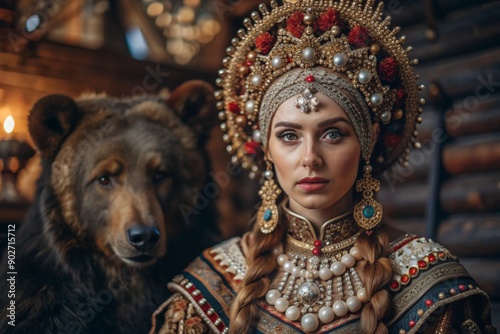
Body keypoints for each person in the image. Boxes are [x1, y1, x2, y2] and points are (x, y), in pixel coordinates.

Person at [149, 0, 497, 333]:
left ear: (368, 140)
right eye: (289, 136)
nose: (310, 157)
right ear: (266, 148)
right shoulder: (212, 282)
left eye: (332, 134)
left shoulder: (428, 280)